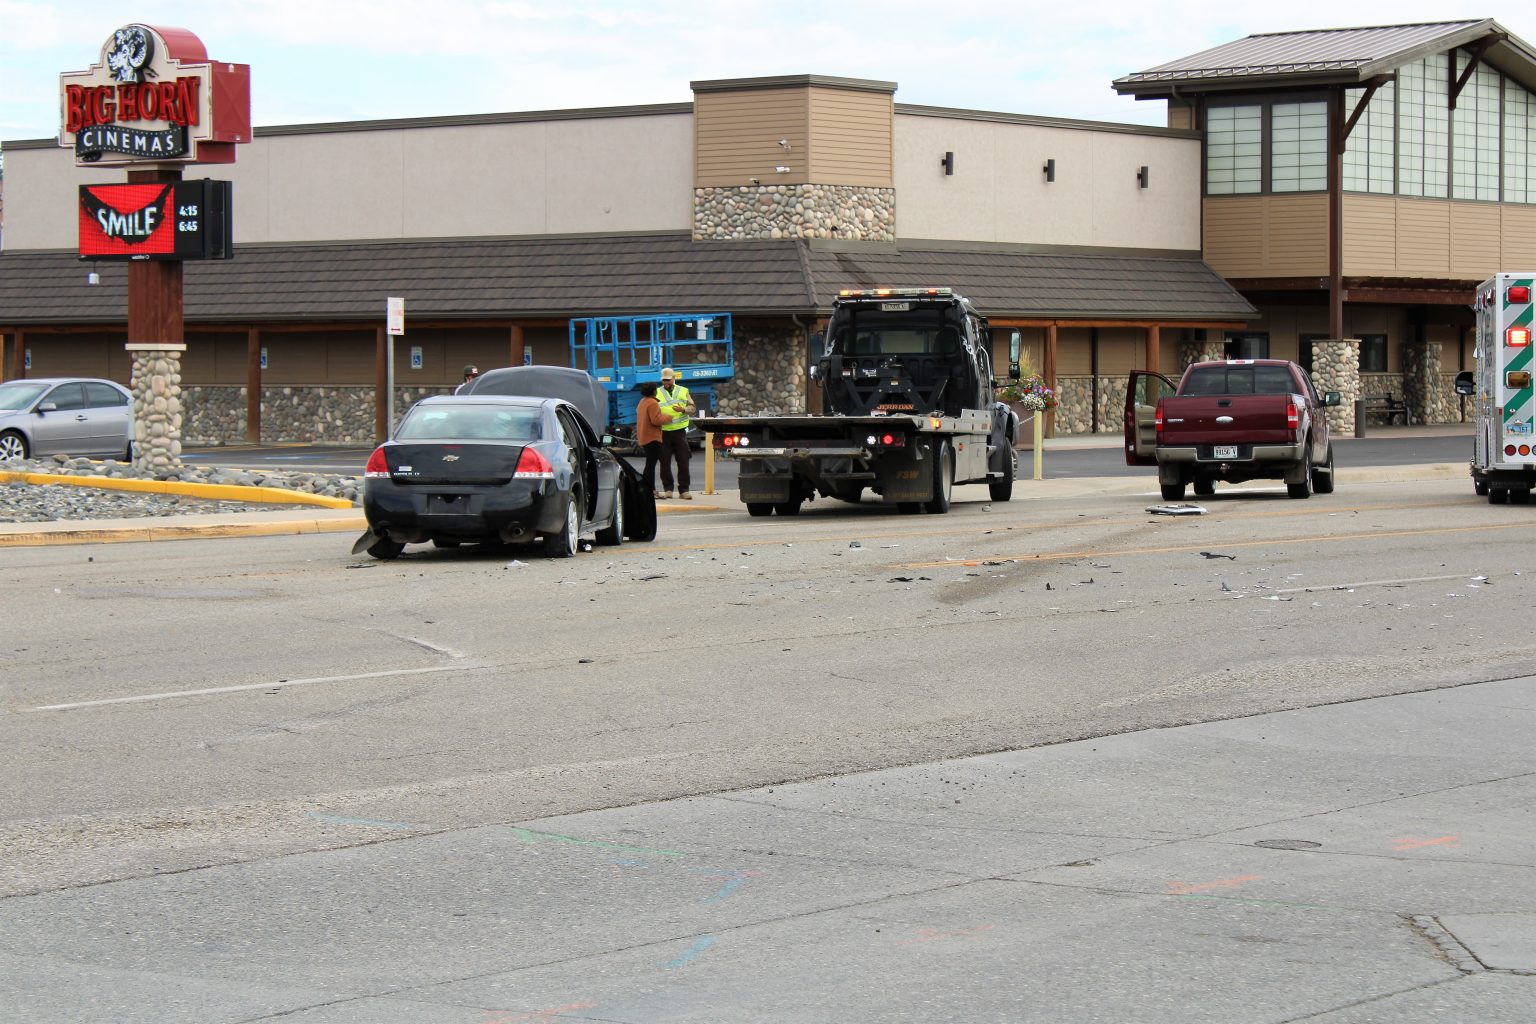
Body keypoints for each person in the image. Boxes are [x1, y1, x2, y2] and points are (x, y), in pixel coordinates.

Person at [656, 367, 696, 499]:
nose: (666, 382)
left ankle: (684, 490)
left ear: (673, 379)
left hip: (679, 432)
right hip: (664, 432)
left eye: (668, 380)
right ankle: (668, 489)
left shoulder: (683, 391)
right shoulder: (657, 392)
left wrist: (683, 409)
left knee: (683, 460)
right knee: (664, 462)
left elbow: (693, 408)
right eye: (664, 380)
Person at [634, 381, 674, 498]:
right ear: (653, 391)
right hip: (652, 438)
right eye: (656, 389)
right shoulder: (652, 403)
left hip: (644, 436)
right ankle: (650, 490)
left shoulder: (642, 402)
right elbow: (656, 420)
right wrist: (668, 417)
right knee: (650, 465)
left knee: (649, 464)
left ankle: (647, 489)